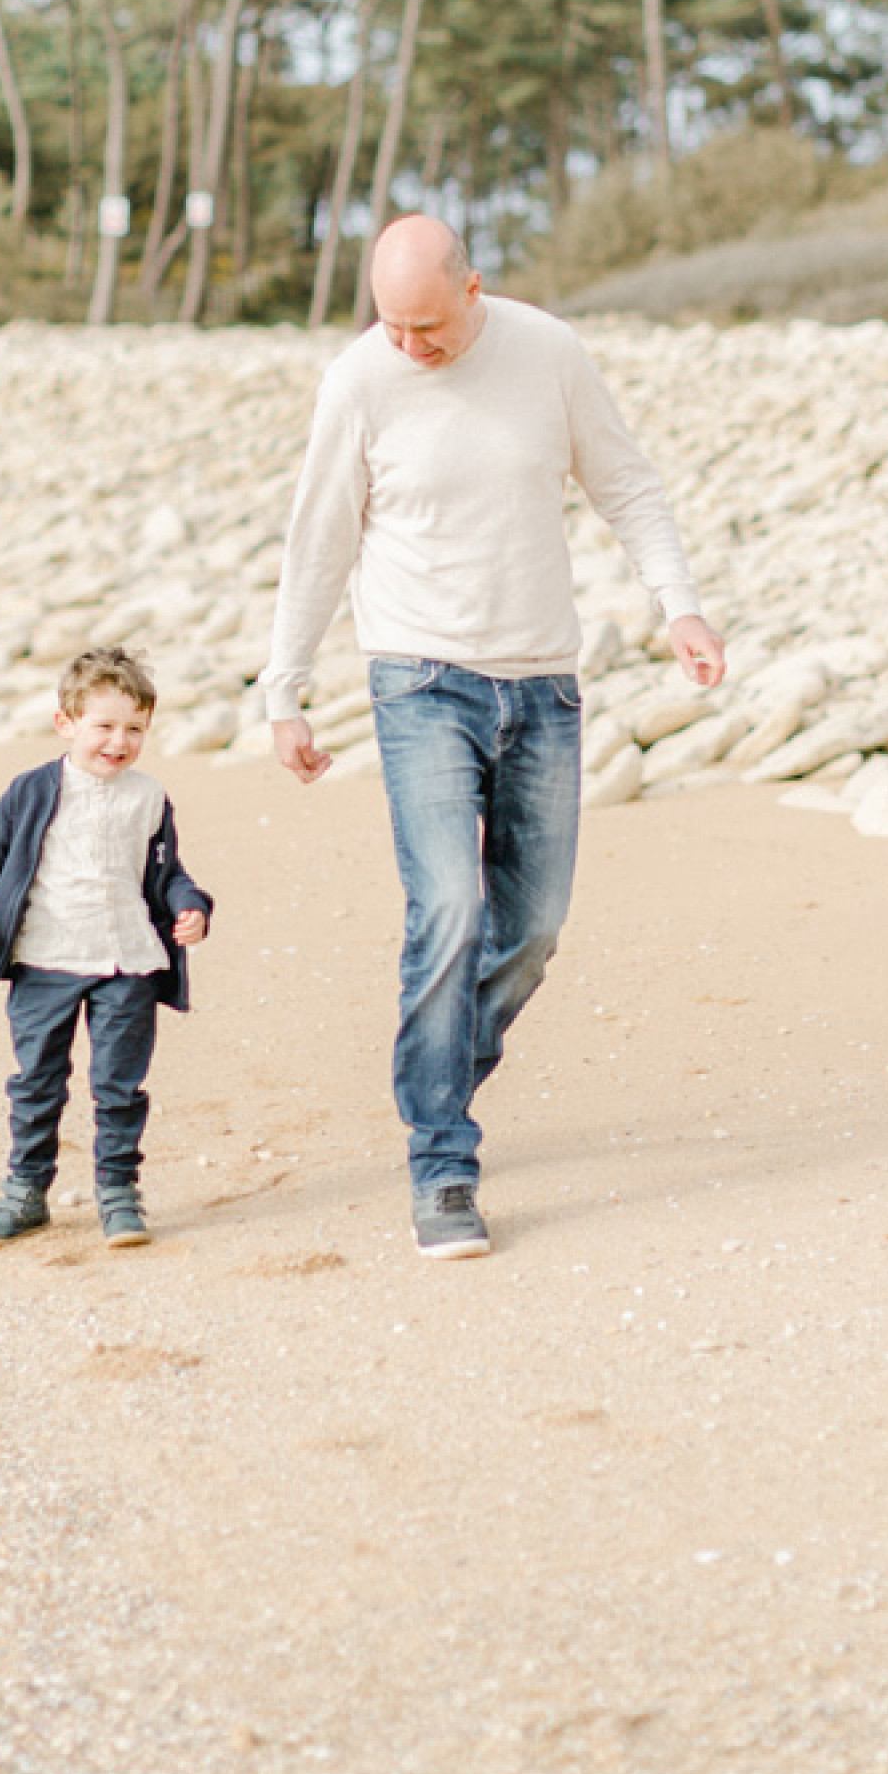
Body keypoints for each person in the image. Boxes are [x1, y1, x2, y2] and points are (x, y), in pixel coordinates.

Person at [262, 215, 724, 1260]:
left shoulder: (548, 353)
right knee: (450, 908)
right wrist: (281, 692)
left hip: (542, 684)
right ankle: (443, 1164)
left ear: (475, 288)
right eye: (390, 326)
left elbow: (627, 485)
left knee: (534, 928)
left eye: (427, 326)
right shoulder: (359, 382)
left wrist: (679, 606)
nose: (409, 348)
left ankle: (434, 1076)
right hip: (418, 679)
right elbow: (318, 541)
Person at [0, 645, 213, 1249]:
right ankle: (25, 1192)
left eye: (134, 729)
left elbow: (167, 872)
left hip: (126, 961)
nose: (118, 741)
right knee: (37, 1081)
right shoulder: (33, 790)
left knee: (119, 1085)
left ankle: (119, 1194)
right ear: (66, 724)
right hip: (45, 960)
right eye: (104, 726)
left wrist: (191, 906)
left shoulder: (148, 797)